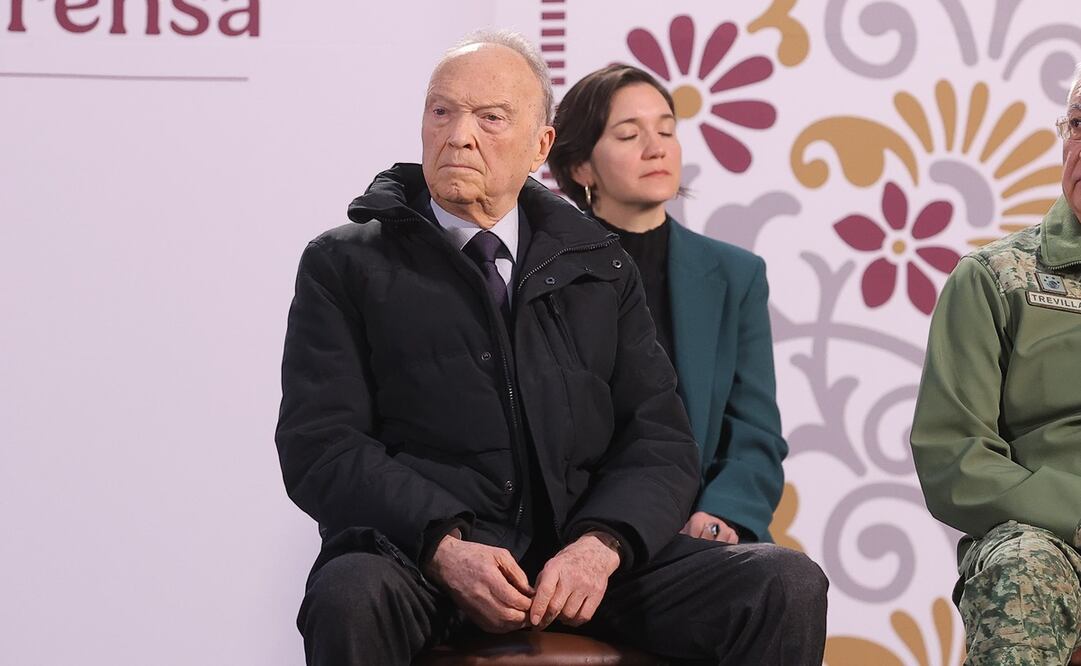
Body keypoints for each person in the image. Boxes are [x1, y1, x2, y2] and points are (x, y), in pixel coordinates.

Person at [276, 30, 827, 666]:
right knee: (348, 594)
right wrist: (445, 546)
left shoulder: (598, 263)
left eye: (491, 118)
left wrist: (603, 544)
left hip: (579, 556)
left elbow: (661, 440)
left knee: (783, 582)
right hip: (419, 557)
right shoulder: (344, 262)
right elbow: (322, 444)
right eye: (441, 111)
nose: (458, 135)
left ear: (541, 145)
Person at [546, 64, 787, 545]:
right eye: (629, 134)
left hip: (692, 528)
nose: (656, 147)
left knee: (789, 579)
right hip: (571, 529)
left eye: (666, 130)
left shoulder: (736, 275)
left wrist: (720, 514)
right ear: (581, 167)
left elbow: (754, 434)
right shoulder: (544, 270)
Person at [911, 63, 1081, 665]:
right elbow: (954, 457)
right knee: (1021, 569)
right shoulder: (993, 279)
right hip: (1050, 540)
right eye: (1080, 126)